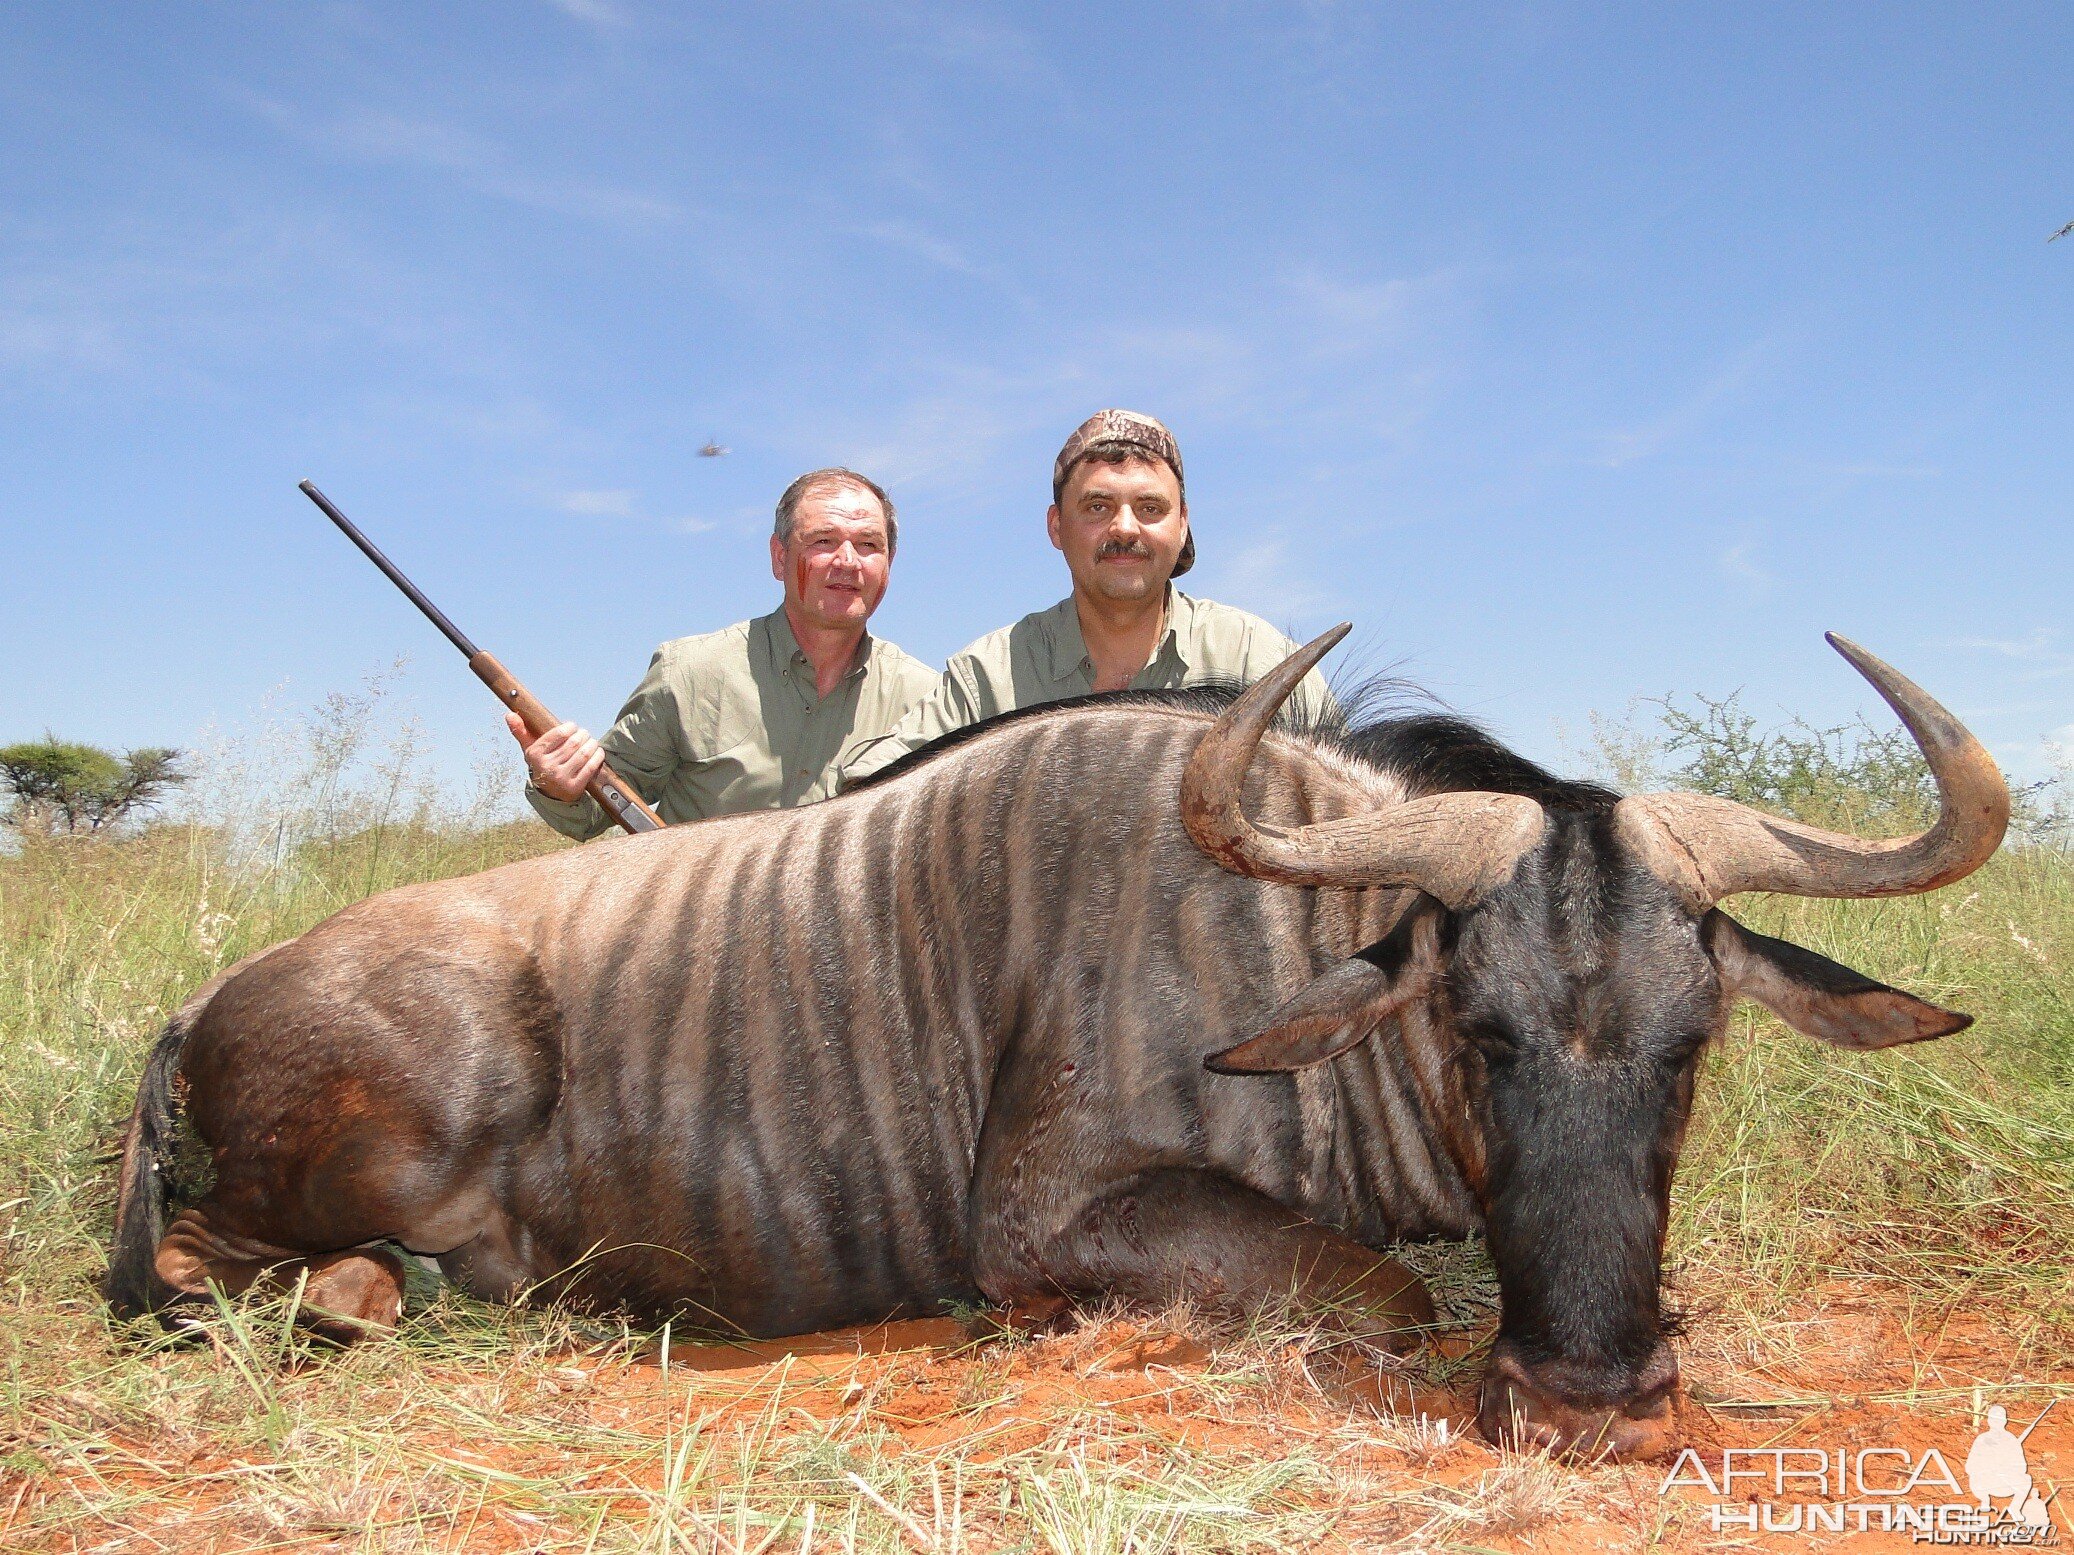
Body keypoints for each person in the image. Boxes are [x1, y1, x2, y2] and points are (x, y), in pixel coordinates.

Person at [838, 409, 1335, 783]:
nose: (1124, 528)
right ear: (1057, 527)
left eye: (1150, 508)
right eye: (1097, 507)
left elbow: (1354, 795)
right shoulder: (990, 675)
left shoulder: (1260, 660)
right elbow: (870, 787)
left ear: (1183, 525)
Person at [517, 467, 937, 836]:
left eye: (868, 545)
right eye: (824, 540)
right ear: (779, 557)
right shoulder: (688, 673)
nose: (848, 561)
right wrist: (556, 785)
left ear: (889, 563)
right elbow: (593, 811)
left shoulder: (930, 701)